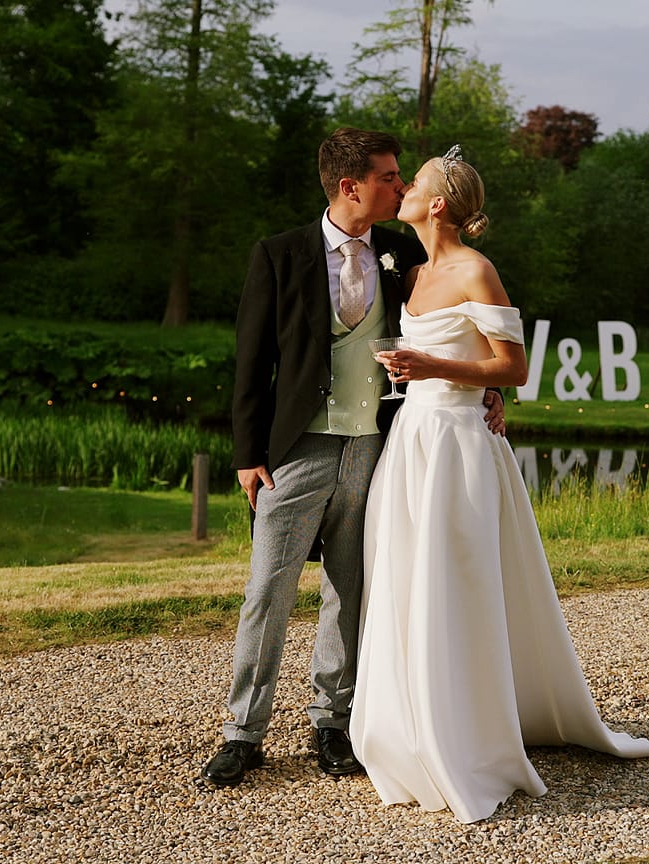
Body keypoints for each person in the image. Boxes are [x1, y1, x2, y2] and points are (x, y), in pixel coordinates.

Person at [349, 146, 649, 822]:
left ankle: (467, 731)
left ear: (437, 204)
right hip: (412, 444)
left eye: (416, 183)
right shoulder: (406, 269)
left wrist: (430, 365)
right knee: (405, 577)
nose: (403, 187)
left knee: (456, 580)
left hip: (460, 448)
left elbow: (513, 370)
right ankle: (408, 720)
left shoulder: (476, 271)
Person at [203, 128, 504, 788]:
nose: (399, 186)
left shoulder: (403, 252)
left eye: (402, 178)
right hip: (295, 448)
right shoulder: (279, 255)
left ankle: (332, 724)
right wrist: (247, 455)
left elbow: (464, 321)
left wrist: (487, 390)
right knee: (267, 591)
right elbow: (251, 363)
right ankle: (243, 734)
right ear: (351, 187)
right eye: (389, 177)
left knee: (352, 586)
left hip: (379, 445)